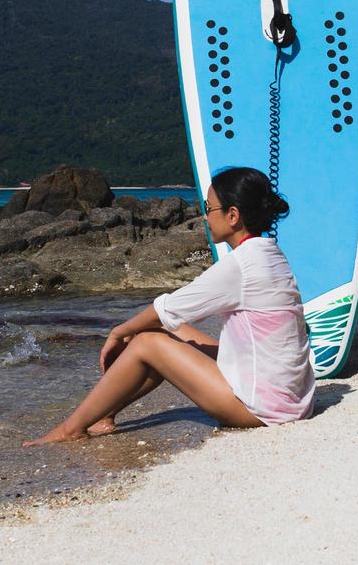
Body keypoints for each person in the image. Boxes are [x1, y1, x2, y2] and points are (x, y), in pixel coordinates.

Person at [24, 166, 316, 446]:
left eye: (209, 208)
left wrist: (118, 332)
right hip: (291, 399)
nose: (204, 217)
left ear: (233, 215)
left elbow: (169, 307)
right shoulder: (270, 254)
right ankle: (104, 415)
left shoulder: (241, 265)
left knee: (147, 342)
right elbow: (171, 317)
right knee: (165, 330)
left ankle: (71, 428)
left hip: (263, 408)